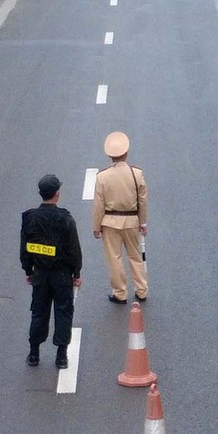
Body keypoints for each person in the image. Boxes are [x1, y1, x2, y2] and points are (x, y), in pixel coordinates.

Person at [20, 173, 84, 368]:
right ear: (57, 194)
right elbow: (74, 249)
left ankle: (34, 354)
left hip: (40, 274)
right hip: (62, 275)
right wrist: (77, 274)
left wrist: (28, 271)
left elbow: (25, 247)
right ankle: (61, 356)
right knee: (63, 313)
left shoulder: (30, 217)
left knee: (39, 312)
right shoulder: (65, 218)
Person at [93, 130, 149, 304]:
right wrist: (143, 221)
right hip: (132, 221)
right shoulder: (136, 174)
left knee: (114, 259)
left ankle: (120, 293)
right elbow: (142, 200)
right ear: (126, 153)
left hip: (110, 223)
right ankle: (141, 290)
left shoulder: (102, 177)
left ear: (109, 156)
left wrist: (96, 227)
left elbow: (98, 205)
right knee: (135, 256)